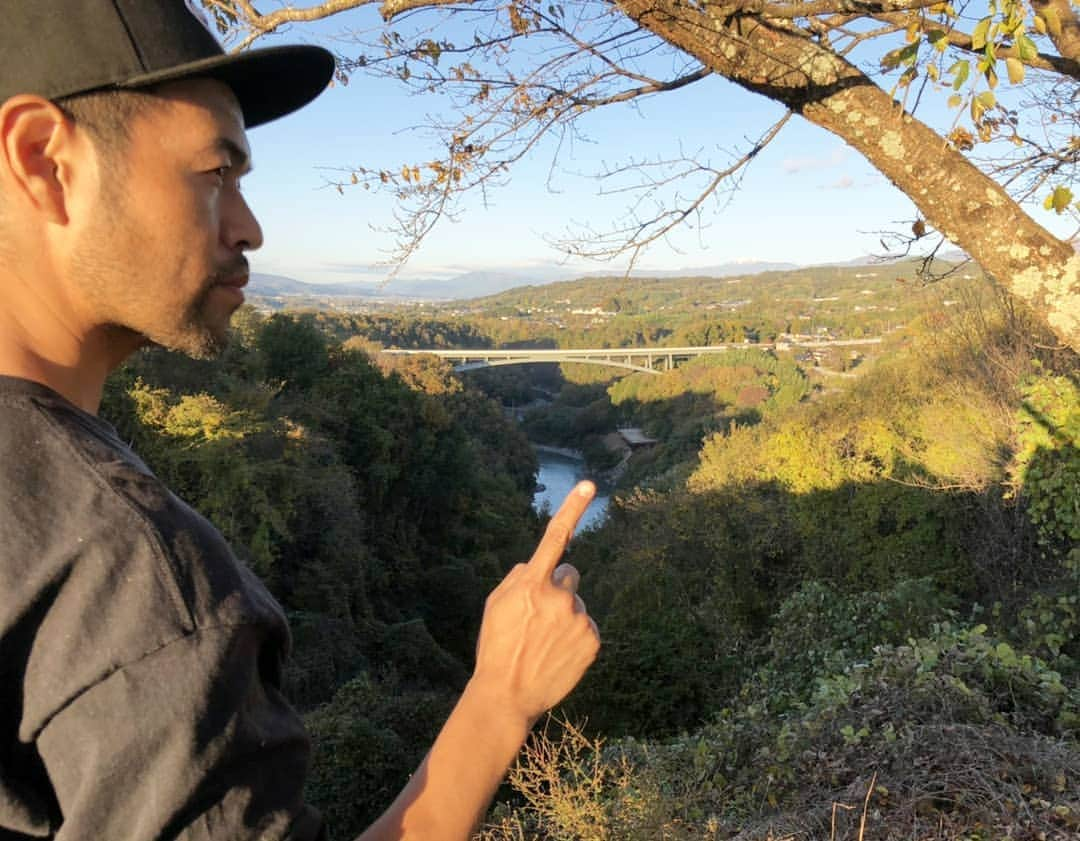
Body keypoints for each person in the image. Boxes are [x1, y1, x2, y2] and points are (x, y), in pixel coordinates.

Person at [0, 3, 601, 839]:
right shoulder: (128, 576)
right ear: (45, 161)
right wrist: (502, 697)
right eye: (216, 174)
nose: (250, 226)